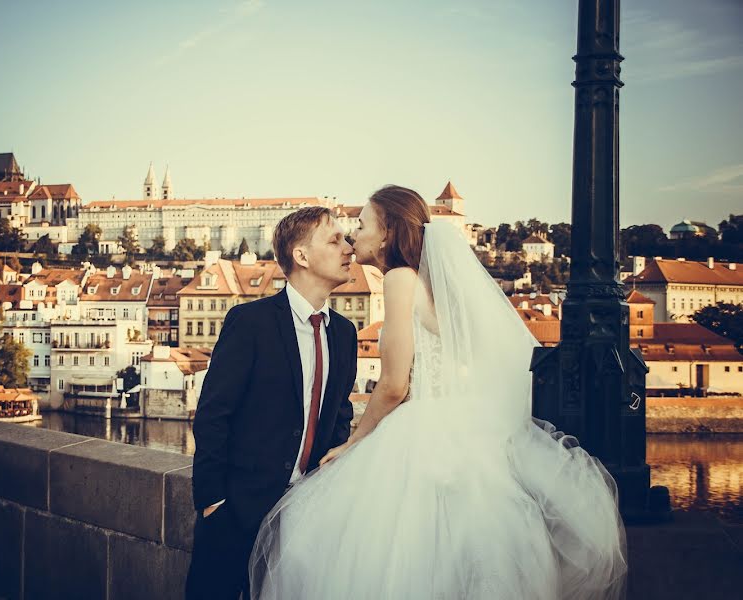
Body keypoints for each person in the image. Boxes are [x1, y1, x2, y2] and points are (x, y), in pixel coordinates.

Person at [249, 185, 627, 600]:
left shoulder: (398, 278)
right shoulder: (432, 285)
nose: (354, 236)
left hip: (419, 432)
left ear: (388, 232)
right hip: (462, 431)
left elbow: (394, 384)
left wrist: (355, 442)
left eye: (362, 225)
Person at [186, 206, 358, 600]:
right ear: (301, 257)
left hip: (304, 513)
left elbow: (339, 414)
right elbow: (213, 414)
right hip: (236, 511)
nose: (348, 248)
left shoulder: (345, 333)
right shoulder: (251, 321)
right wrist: (213, 502)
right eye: (334, 240)